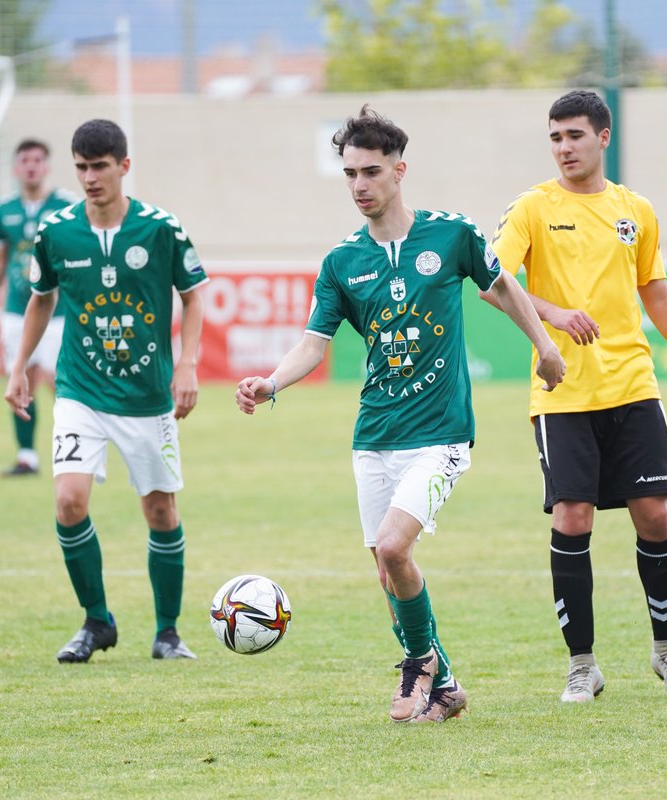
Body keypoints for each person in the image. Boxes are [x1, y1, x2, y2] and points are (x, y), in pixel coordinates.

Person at [235, 106, 565, 723]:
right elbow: (313, 345)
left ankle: (417, 665)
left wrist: (545, 346)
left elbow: (502, 287)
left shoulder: (452, 234)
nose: (359, 185)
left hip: (440, 434)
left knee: (393, 548)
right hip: (374, 435)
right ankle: (447, 687)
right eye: (350, 174)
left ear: (399, 171)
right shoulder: (342, 262)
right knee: (389, 574)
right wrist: (270, 382)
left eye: (370, 172)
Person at [484, 89, 667, 701]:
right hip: (562, 393)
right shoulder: (532, 207)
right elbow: (493, 281)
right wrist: (553, 313)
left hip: (633, 385)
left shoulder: (636, 210)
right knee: (573, 517)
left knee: (654, 515)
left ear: (603, 137)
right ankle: (583, 665)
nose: (563, 148)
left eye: (574, 135)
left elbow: (656, 291)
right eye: (554, 137)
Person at [5, 119, 209, 663]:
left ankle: (167, 633)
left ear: (124, 166)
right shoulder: (56, 232)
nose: (90, 177)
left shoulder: (160, 228)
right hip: (80, 390)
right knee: (68, 500)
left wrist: (187, 364)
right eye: (82, 167)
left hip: (146, 396)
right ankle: (97, 621)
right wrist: (19, 367)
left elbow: (193, 295)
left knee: (160, 511)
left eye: (100, 166)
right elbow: (41, 300)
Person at [0, 139, 77, 476]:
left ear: (47, 166)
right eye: (25, 160)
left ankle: (77, 448)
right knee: (22, 381)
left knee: (60, 382)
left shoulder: (66, 206)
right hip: (17, 310)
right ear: (16, 168)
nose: (31, 166)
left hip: (59, 312)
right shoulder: (4, 210)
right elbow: (0, 260)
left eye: (37, 160)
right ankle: (27, 456)